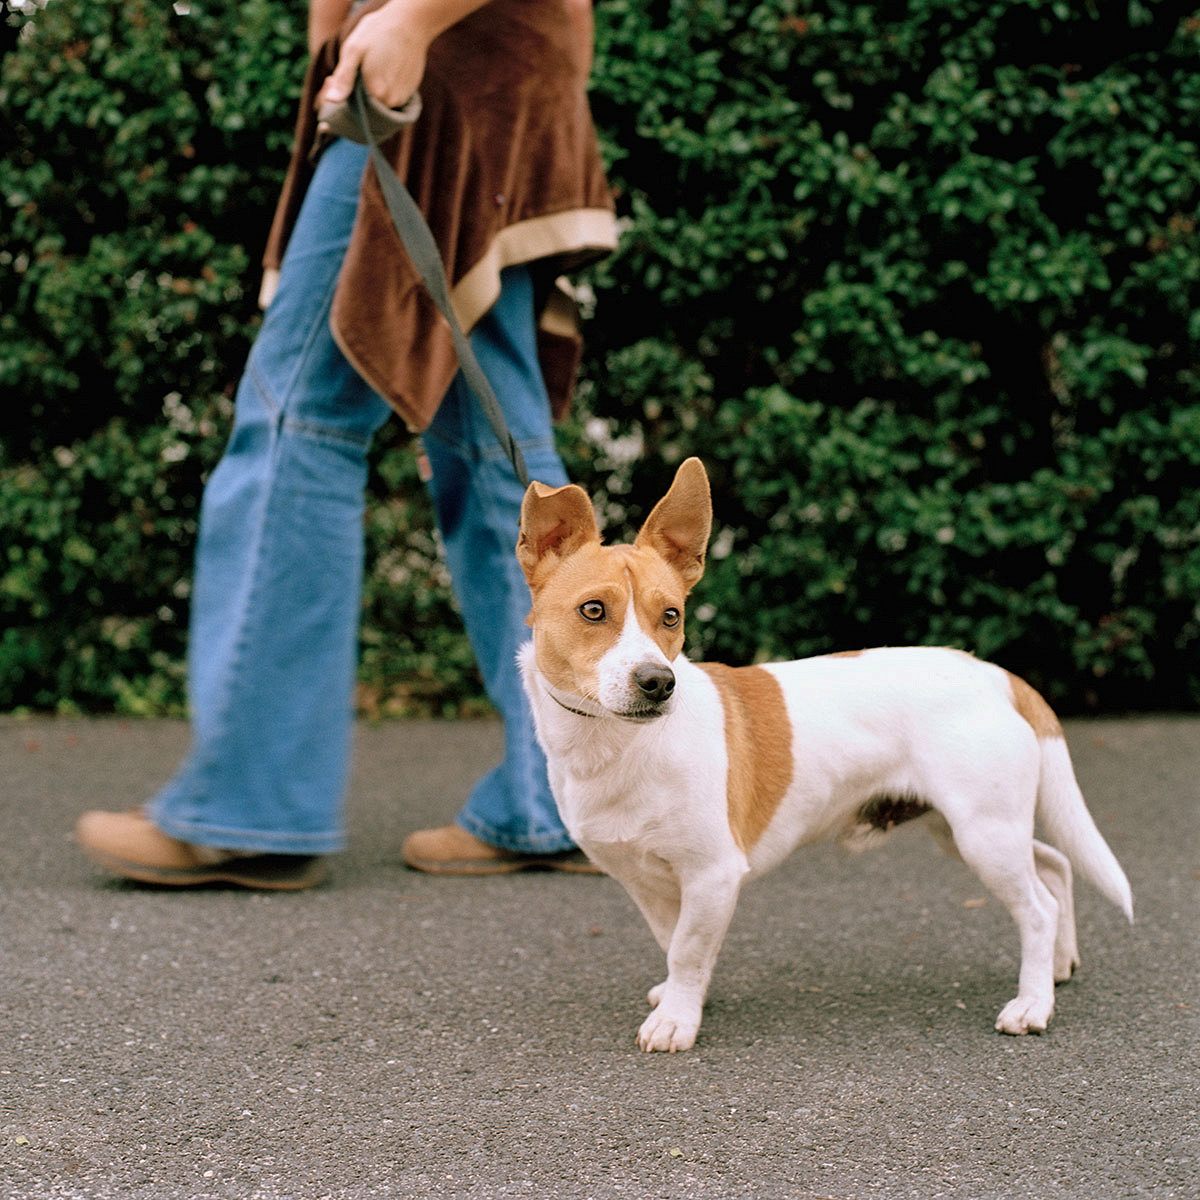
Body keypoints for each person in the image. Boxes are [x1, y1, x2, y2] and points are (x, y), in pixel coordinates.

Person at [74, 0, 617, 888]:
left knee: (298, 421)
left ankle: (252, 807)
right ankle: (568, 797)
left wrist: (407, 19)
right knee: (497, 451)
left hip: (434, 66)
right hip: (503, 70)